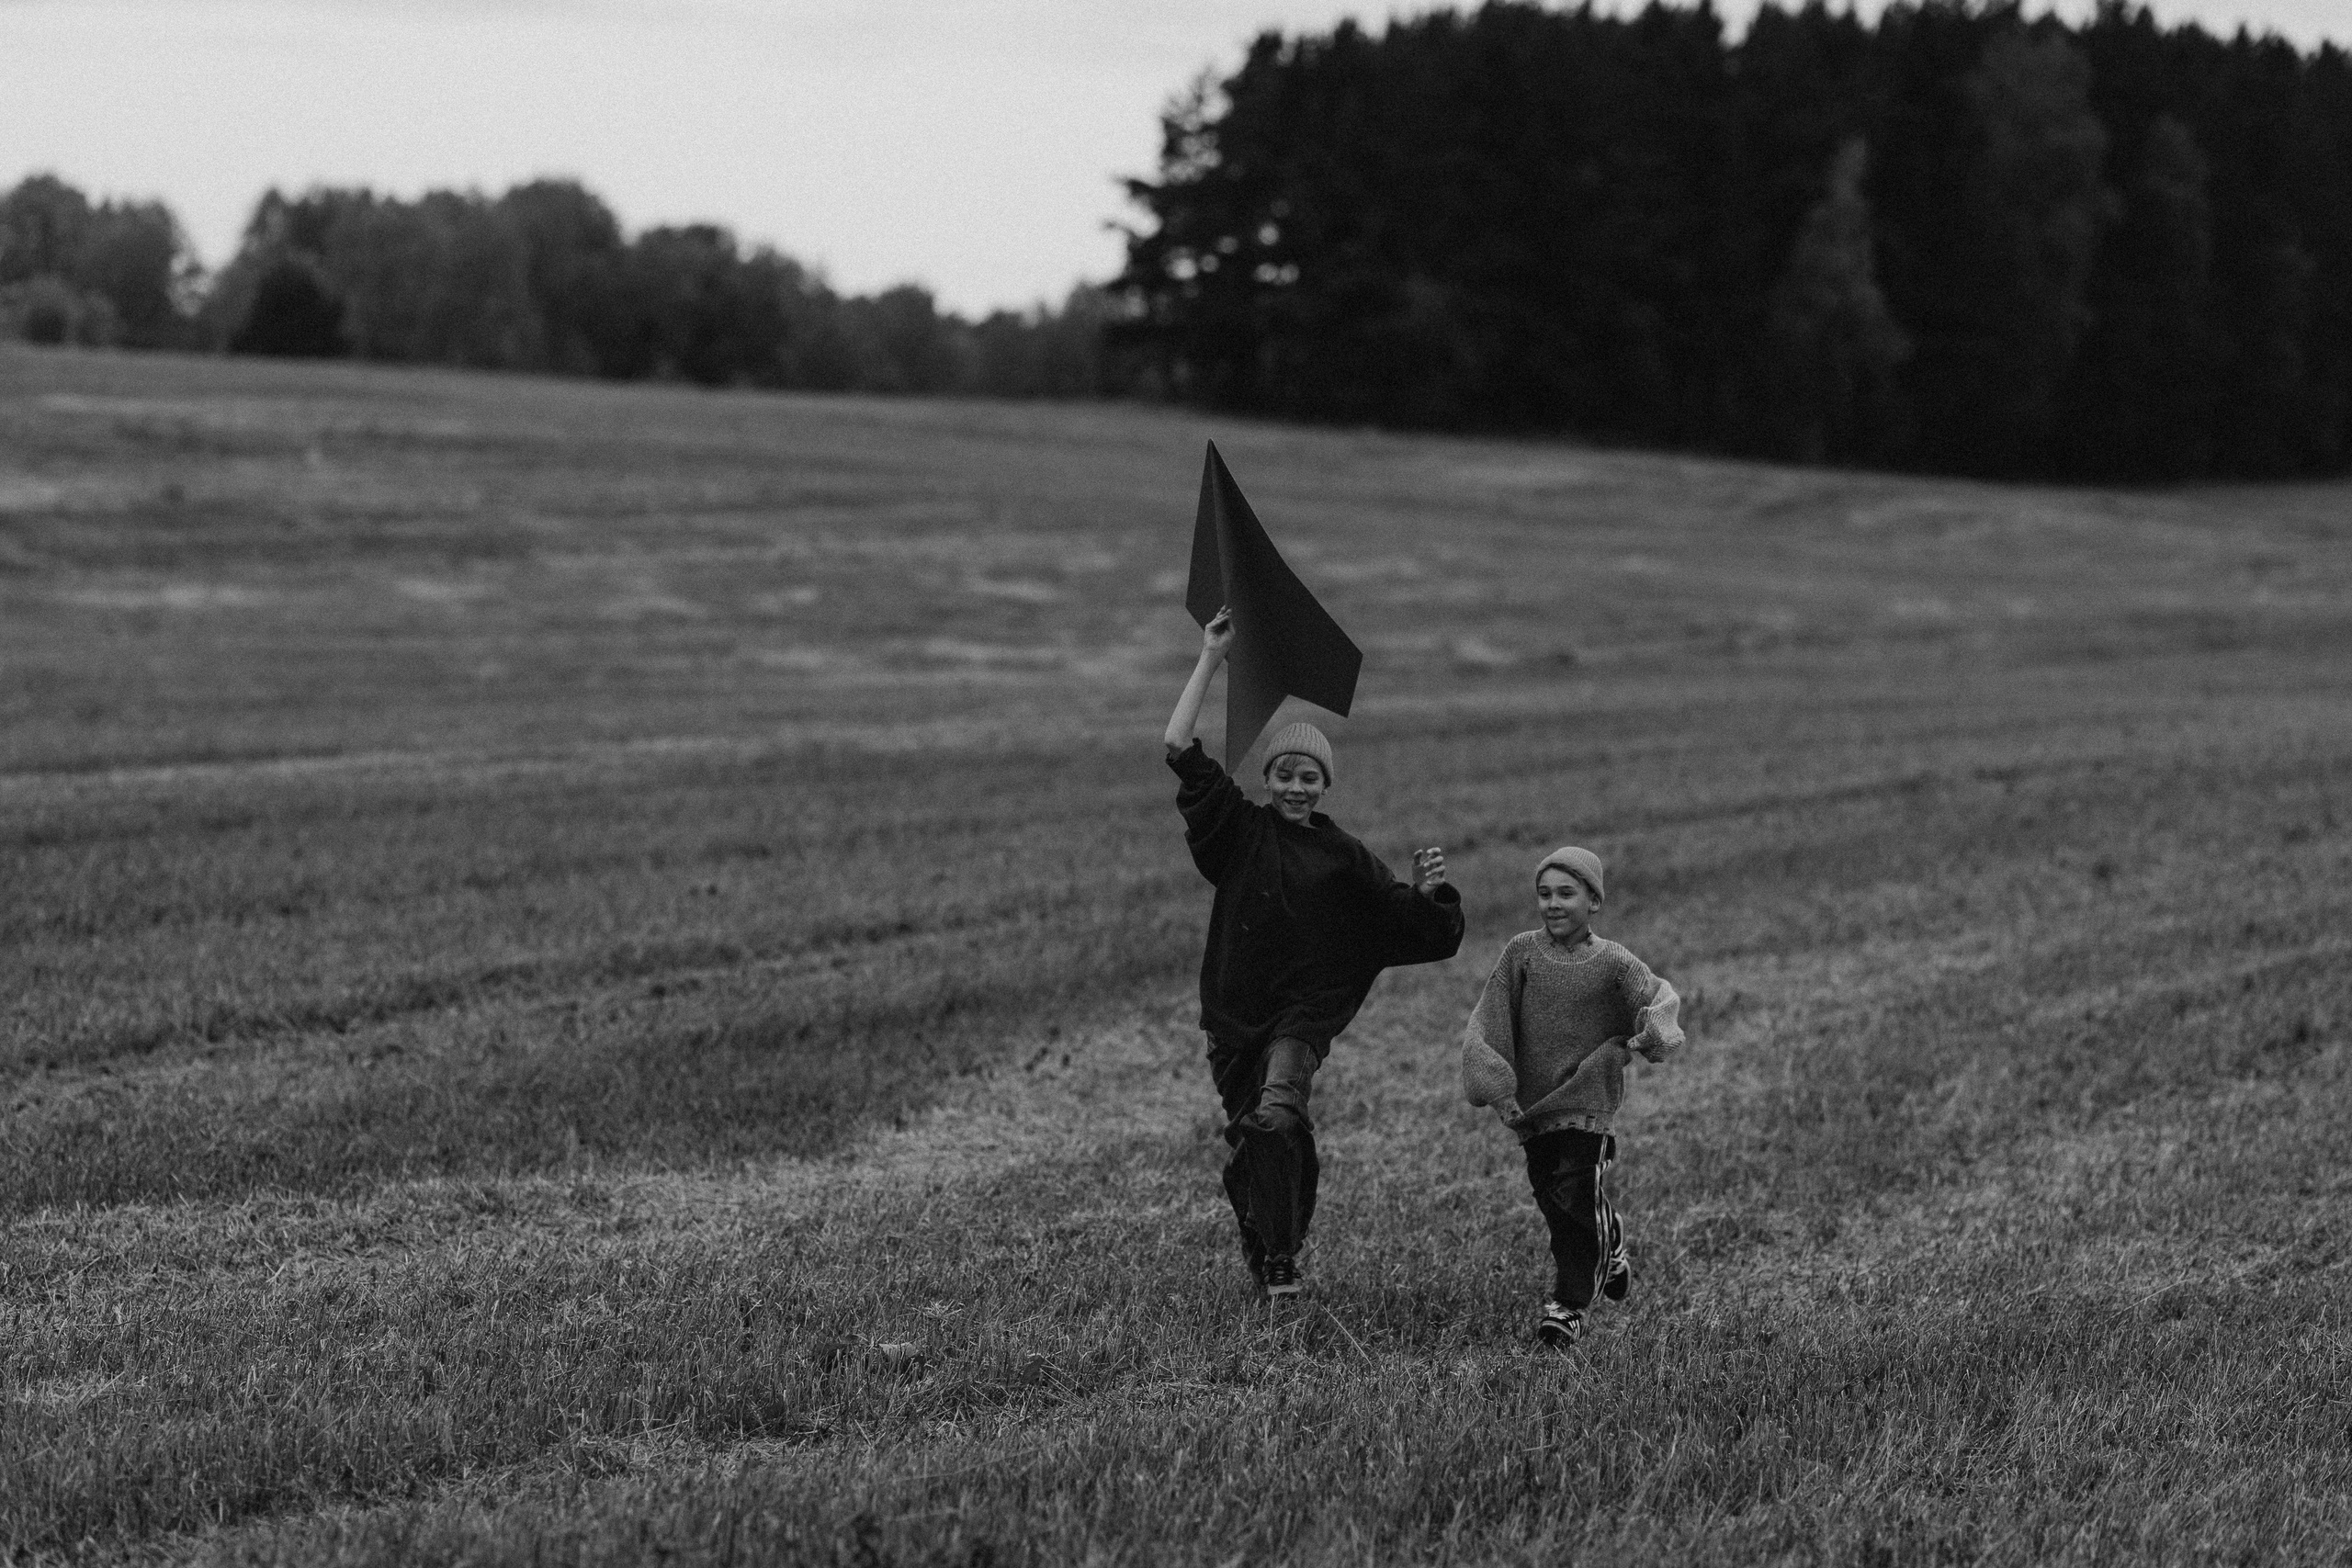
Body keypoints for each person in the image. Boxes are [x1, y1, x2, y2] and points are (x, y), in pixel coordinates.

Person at [1164, 607, 1464, 1299]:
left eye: (1310, 778)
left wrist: (1430, 896)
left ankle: (1280, 1261)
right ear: (1267, 779)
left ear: (1326, 786)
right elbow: (1178, 742)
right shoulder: (1239, 831)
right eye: (1285, 774)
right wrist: (1212, 655)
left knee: (1277, 1115)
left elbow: (1404, 920)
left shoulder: (1343, 857)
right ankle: (1272, 1252)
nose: (1296, 787)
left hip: (1300, 1021)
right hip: (1233, 1020)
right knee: (1258, 1142)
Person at [1460, 845, 1683, 1347]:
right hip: (1535, 1107)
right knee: (1553, 1202)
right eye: (1544, 894)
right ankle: (1611, 1237)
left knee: (1576, 1195)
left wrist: (1654, 1032)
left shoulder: (1613, 962)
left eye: (1566, 893)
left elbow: (1657, 997)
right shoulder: (1521, 954)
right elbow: (1487, 1018)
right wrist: (1495, 1085)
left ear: (1593, 901)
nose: (1553, 904)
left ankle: (1569, 1306)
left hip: (1589, 1100)